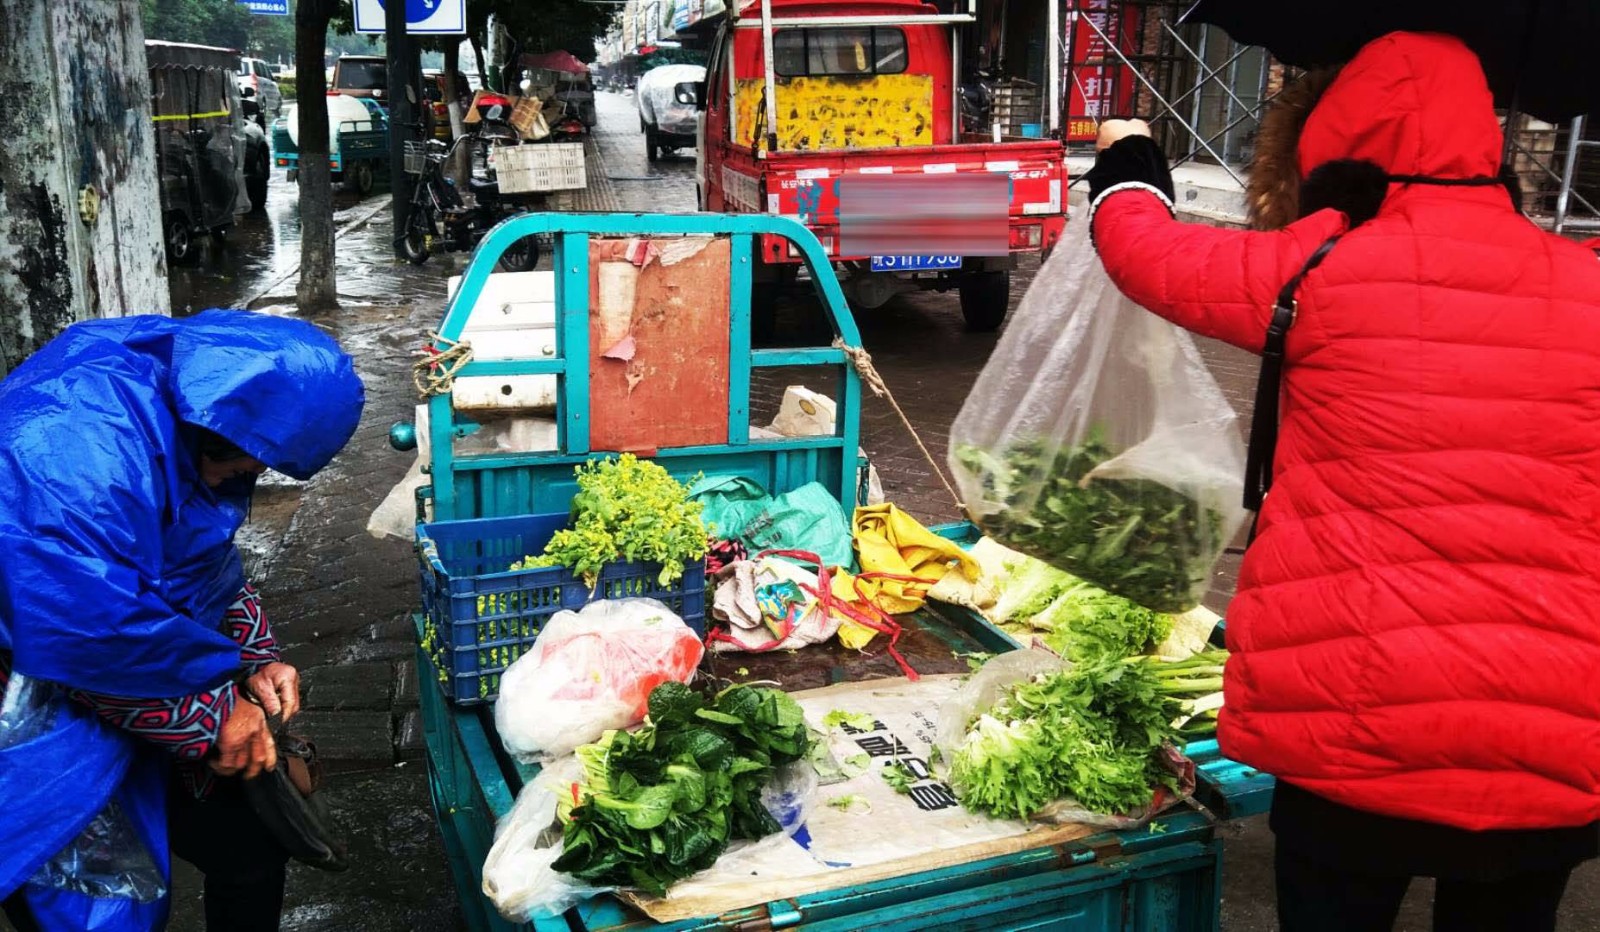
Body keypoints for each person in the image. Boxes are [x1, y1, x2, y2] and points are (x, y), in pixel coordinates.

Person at [1082, 31, 1600, 932]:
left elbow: (1146, 255)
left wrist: (1129, 163)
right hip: (1551, 725)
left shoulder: (1318, 268)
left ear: (1341, 139)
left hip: (1354, 722)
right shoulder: (1585, 281)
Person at [0, 310, 365, 931]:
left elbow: (195, 559)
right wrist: (218, 715)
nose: (251, 481)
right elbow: (88, 631)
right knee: (103, 907)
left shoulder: (186, 415)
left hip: (129, 673)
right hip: (32, 705)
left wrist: (255, 652)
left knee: (250, 848)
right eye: (250, 467)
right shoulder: (74, 455)